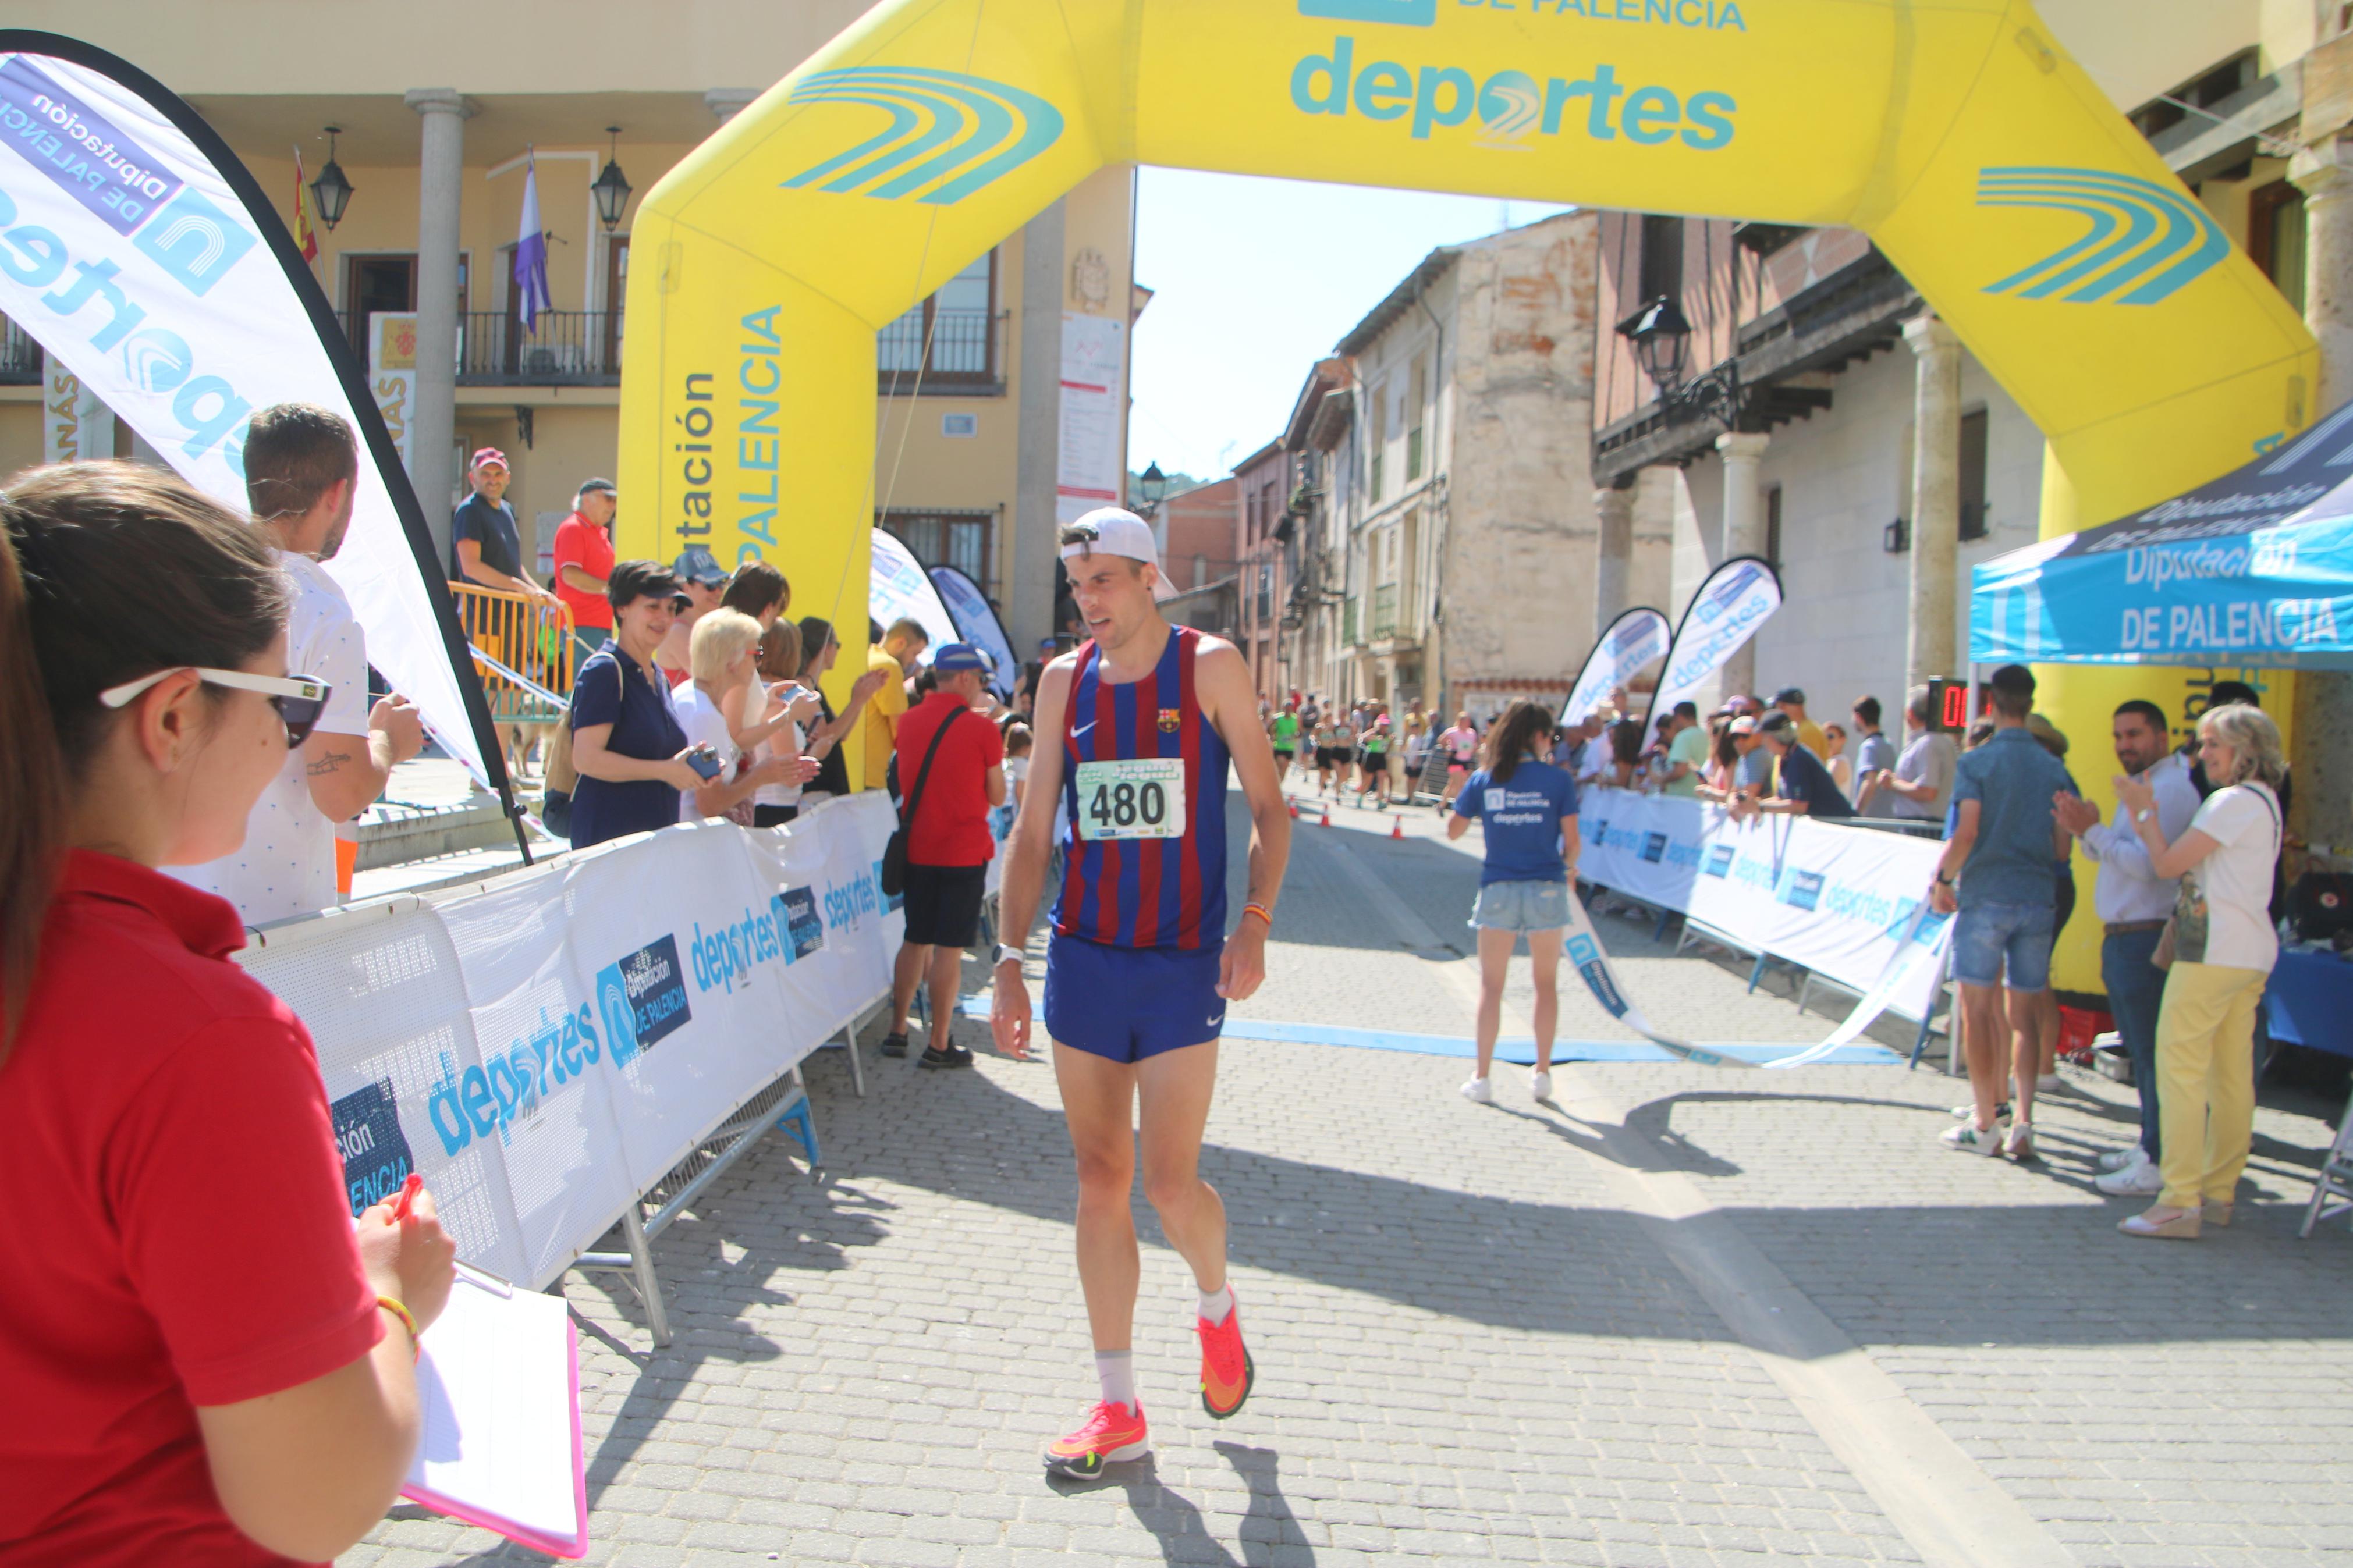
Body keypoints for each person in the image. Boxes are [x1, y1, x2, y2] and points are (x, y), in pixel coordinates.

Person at [1, 461, 459, 1563]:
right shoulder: (196, 1036)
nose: (289, 741)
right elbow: (315, 1496)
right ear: (170, 714)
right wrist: (387, 1295)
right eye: (289, 702)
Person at [990, 507, 1290, 1481]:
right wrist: (1004, 953)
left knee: (1167, 1183)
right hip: (1082, 957)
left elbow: (1271, 807)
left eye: (1106, 583)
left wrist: (1254, 924)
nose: (1089, 603)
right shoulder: (1061, 680)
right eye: (1078, 587)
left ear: (1149, 577)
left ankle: (1215, 1308)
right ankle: (1117, 1405)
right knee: (1096, 1178)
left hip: (1177, 964)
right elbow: (1035, 829)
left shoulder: (1208, 666)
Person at [173, 404, 425, 927]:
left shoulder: (190, 582)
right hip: (270, 922)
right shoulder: (321, 613)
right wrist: (388, 741)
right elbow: (340, 793)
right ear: (337, 494)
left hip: (171, 903)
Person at [2107, 703, 2286, 1240]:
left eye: (2213, 744)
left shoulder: (2231, 801)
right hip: (2247, 951)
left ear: (2245, 750)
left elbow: (2166, 864)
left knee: (2180, 1070)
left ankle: (2179, 1197)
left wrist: (2143, 813)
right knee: (2230, 1076)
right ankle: (2215, 1191)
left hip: (2212, 951)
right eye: (2202, 743)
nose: (2202, 753)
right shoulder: (2264, 802)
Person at [2054, 699, 2200, 1196]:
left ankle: (2160, 1157)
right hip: (2125, 936)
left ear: (2160, 735)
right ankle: (2151, 1146)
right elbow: (2113, 853)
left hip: (2145, 935)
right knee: (2143, 1052)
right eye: (2118, 736)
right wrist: (2088, 831)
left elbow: (2147, 864)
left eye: (2134, 735)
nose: (2124, 745)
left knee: (2154, 1054)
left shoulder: (2170, 788)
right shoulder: (2142, 785)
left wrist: (2090, 831)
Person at [1930, 664, 2072, 1160]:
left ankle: (1986, 1121)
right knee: (2025, 1014)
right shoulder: (2054, 767)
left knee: (1976, 1010)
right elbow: (2062, 845)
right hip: (2036, 893)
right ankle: (2025, 1119)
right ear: (2030, 702)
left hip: (1986, 891)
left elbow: (1965, 832)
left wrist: (1942, 879)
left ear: (1991, 702)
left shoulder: (1978, 762)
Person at [1446, 699, 1581, 1104]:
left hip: (1499, 887)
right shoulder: (1557, 781)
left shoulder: (1485, 778)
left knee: (1491, 985)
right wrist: (1567, 870)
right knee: (1545, 984)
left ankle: (1482, 1077)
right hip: (1545, 887)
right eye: (1550, 736)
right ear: (1538, 736)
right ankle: (1541, 1073)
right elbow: (1572, 844)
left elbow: (1453, 831)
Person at [877, 645, 1006, 1068]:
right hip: (963, 853)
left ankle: (897, 1031)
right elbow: (997, 795)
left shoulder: (909, 722)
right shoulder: (983, 730)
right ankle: (938, 1042)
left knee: (915, 938)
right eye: (982, 681)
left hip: (918, 849)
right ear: (967, 678)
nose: (982, 690)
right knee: (949, 949)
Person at [567, 561, 706, 848]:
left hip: (652, 844)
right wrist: (665, 770)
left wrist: (688, 764)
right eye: (653, 606)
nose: (664, 618)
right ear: (622, 608)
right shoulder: (605, 671)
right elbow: (586, 759)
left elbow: (653, 752)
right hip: (609, 844)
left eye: (671, 609)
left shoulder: (658, 676)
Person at [670, 609, 817, 823]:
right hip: (693, 845)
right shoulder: (706, 716)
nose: (758, 666)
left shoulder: (691, 697)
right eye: (756, 655)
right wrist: (761, 776)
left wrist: (766, 703)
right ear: (732, 661)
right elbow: (710, 804)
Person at [794, 616, 891, 806]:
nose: (838, 651)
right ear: (827, 648)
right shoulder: (804, 685)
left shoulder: (814, 687)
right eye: (837, 645)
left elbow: (841, 734)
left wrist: (862, 697)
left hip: (824, 788)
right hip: (813, 792)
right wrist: (857, 700)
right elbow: (825, 737)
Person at [450, 447, 549, 601]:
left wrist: (537, 590)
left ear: (508, 478)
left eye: (498, 474)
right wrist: (517, 586)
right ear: (472, 478)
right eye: (485, 474)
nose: (493, 480)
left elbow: (514, 565)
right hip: (482, 616)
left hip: (512, 613)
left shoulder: (506, 509)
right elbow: (471, 567)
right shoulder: (470, 510)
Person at [750, 621, 820, 826]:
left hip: (761, 805)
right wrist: (816, 753)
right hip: (773, 810)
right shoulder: (776, 698)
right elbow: (789, 774)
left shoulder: (753, 691)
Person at [1858, 685, 1959, 822]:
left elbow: (1928, 792)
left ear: (1910, 713)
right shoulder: (1938, 741)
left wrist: (1893, 783)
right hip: (1925, 823)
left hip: (1922, 827)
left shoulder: (1928, 743)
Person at [1734, 712, 1854, 820]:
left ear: (1772, 738)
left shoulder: (1798, 759)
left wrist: (1759, 807)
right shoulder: (1788, 757)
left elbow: (1799, 806)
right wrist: (1755, 804)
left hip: (1842, 826)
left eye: (1763, 737)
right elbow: (1781, 799)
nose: (1763, 742)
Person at [549, 478, 618, 659]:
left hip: (599, 622)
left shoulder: (598, 532)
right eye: (608, 499)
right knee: (586, 683)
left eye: (615, 500)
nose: (613, 505)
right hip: (581, 623)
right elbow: (571, 575)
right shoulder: (574, 528)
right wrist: (611, 590)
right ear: (586, 500)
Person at [863, 617, 930, 792]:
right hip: (871, 774)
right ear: (901, 643)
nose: (914, 661)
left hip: (860, 767)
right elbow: (899, 727)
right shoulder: (889, 666)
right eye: (915, 653)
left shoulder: (869, 657)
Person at [654, 544, 729, 687]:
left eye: (721, 583)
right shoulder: (677, 631)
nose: (718, 592)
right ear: (686, 588)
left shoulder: (703, 628)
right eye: (710, 586)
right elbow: (716, 684)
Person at [1660, 701, 1706, 798]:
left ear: (1679, 717)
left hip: (1683, 799)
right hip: (1701, 797)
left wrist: (1662, 779)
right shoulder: (1706, 735)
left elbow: (1680, 771)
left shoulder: (1683, 737)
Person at [1771, 687, 1828, 759]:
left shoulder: (1808, 731)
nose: (1780, 710)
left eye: (1781, 706)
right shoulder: (1799, 728)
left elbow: (1805, 766)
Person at [1850, 696, 1897, 782]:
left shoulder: (1869, 747)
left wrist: (1861, 796)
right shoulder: (1888, 744)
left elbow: (1870, 782)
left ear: (1858, 717)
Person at [1438, 710, 1478, 807]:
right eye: (1465, 721)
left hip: (1465, 761)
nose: (1467, 723)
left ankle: (1441, 805)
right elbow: (1441, 740)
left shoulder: (1472, 733)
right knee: (1458, 784)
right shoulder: (1452, 732)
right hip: (1455, 760)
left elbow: (1474, 744)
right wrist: (1447, 749)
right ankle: (1459, 806)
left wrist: (1474, 749)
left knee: (1452, 785)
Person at [1360, 716, 1392, 807]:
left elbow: (1389, 744)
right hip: (1372, 756)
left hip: (1381, 756)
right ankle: (1360, 797)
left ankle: (1380, 801)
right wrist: (1374, 738)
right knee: (1368, 779)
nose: (1385, 727)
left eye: (1386, 725)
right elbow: (1363, 737)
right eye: (1383, 725)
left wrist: (1387, 751)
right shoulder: (1374, 732)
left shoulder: (1388, 735)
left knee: (1381, 779)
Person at [1269, 700, 1301, 780]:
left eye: (1290, 708)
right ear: (1283, 708)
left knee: (1284, 770)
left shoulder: (1296, 719)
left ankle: (1279, 785)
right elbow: (1270, 728)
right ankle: (1276, 784)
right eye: (1287, 708)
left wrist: (1296, 736)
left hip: (1290, 747)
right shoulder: (1278, 718)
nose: (1288, 710)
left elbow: (1300, 731)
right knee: (1280, 765)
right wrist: (1273, 735)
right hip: (1280, 746)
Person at [1822, 724, 1852, 795]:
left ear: (1842, 740)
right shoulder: (1830, 762)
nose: (1826, 741)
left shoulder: (1838, 762)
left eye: (1830, 737)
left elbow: (1825, 791)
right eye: (1823, 738)